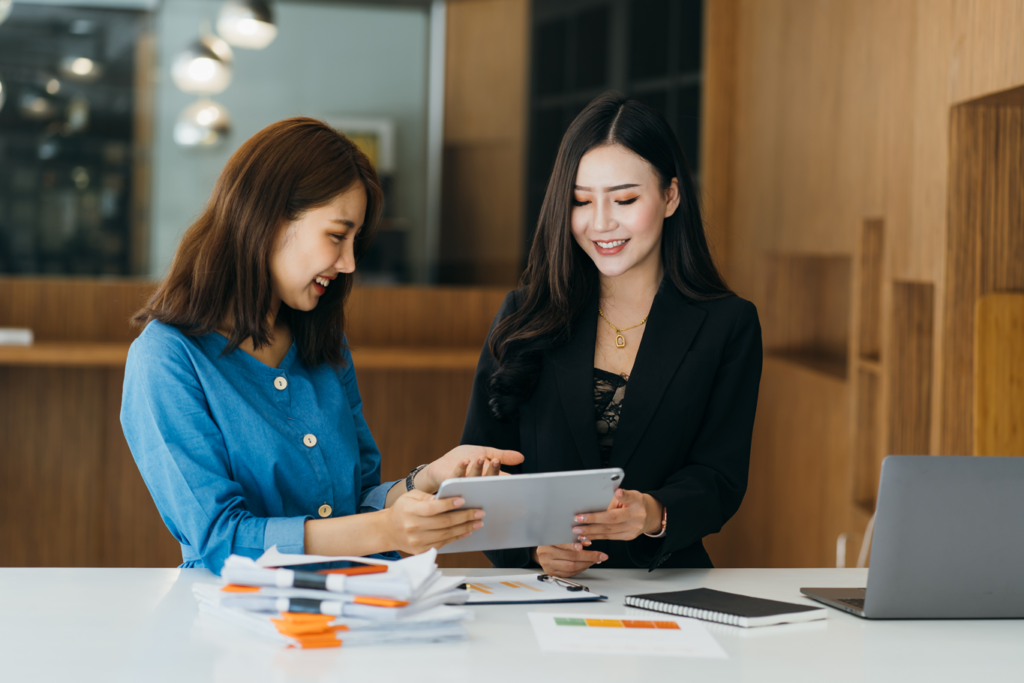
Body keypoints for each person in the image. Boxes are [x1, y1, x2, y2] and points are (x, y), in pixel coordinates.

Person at [120, 118, 522, 574]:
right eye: (336, 236)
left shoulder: (324, 344)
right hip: (239, 625)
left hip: (354, 607)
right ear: (266, 219)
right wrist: (387, 530)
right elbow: (218, 539)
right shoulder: (167, 359)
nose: (349, 263)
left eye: (355, 243)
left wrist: (427, 480)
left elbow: (356, 502)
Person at [461, 92, 762, 577]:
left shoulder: (728, 324)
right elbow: (482, 468)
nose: (601, 223)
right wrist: (534, 547)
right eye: (581, 201)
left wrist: (653, 512)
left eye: (624, 199)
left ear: (670, 196)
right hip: (539, 591)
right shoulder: (525, 314)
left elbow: (719, 478)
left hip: (665, 586)